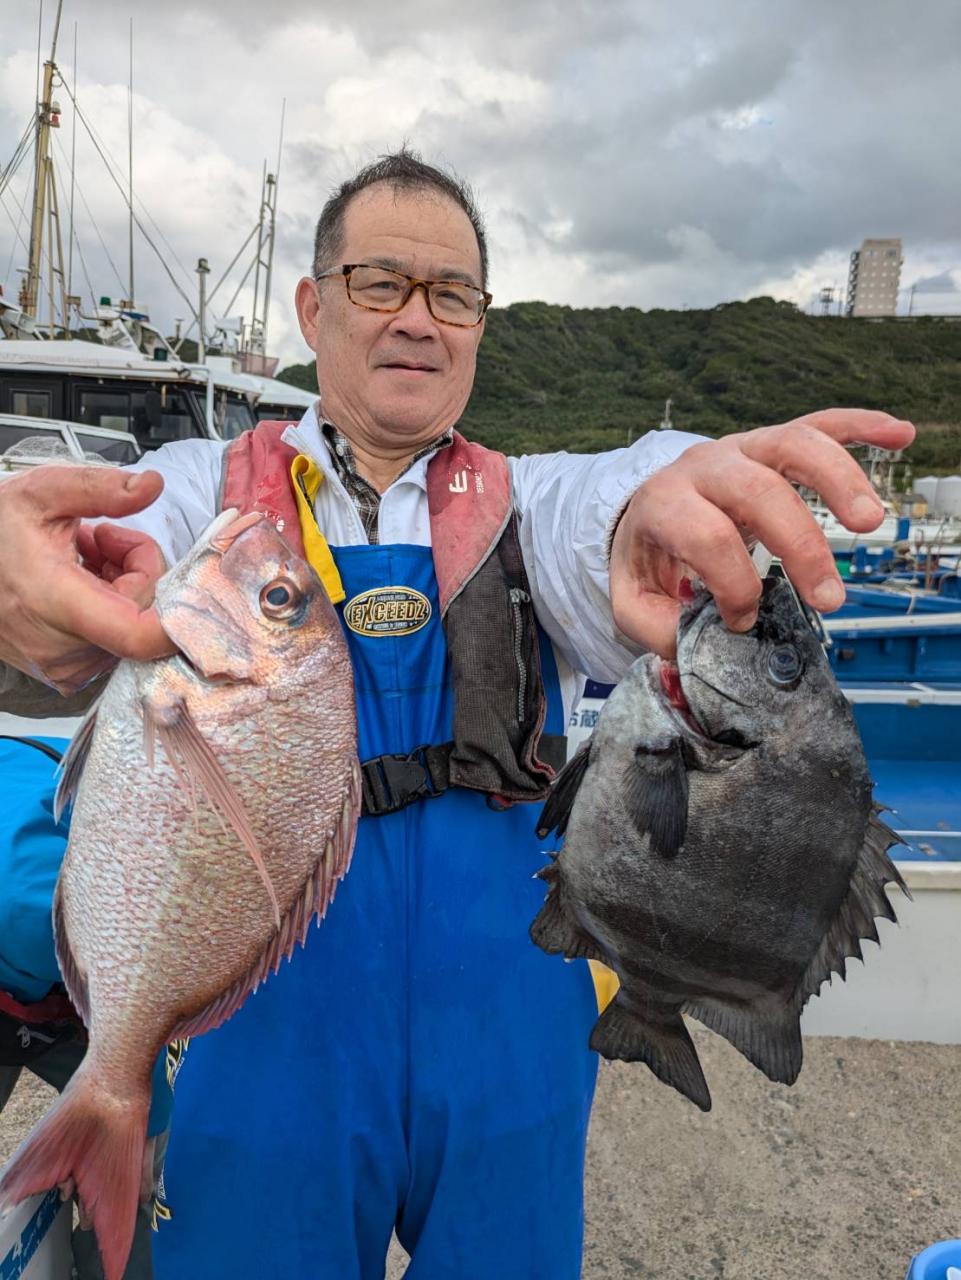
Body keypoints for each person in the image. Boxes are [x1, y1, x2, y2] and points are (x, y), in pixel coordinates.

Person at [0, 149, 914, 1279]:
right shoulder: (199, 499)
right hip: (265, 1034)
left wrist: (673, 490)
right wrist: (30, 568)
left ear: (480, 324)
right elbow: (89, 543)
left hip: (509, 1039)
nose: (417, 319)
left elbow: (621, 495)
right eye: (381, 282)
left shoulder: (535, 503)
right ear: (314, 308)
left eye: (452, 294)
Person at [0, 734, 170, 1280]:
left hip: (75, 947)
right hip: (43, 954)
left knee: (133, 1178)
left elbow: (140, 1005)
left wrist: (139, 1127)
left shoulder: (40, 911)